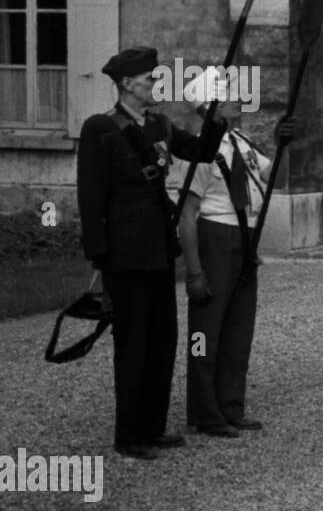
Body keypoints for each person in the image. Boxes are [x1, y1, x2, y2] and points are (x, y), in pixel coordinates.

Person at [76, 46, 227, 459]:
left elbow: (201, 152)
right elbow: (91, 198)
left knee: (163, 339)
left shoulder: (159, 124)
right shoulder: (100, 129)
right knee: (134, 344)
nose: (157, 84)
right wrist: (100, 257)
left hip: (159, 250)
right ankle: (130, 434)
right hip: (125, 256)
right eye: (150, 79)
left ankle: (154, 426)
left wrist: (211, 117)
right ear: (127, 84)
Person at [178, 101, 295, 437]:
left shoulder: (242, 142)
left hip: (245, 237)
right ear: (210, 108)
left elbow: (277, 179)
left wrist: (282, 144)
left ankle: (231, 406)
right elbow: (187, 214)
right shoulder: (201, 148)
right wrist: (194, 271)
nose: (238, 102)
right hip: (215, 234)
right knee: (205, 331)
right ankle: (204, 411)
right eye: (228, 97)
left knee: (238, 329)